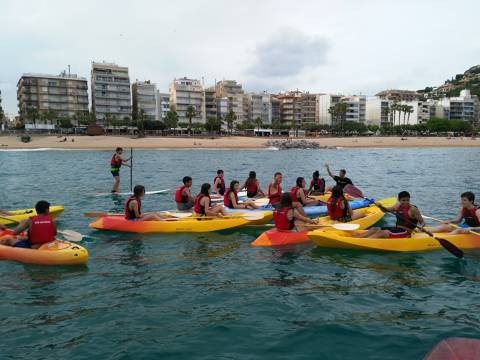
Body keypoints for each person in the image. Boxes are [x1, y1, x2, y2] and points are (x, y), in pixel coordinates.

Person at [356, 191, 424, 238]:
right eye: (403, 200)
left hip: (406, 232)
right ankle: (356, 238)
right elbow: (386, 210)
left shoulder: (413, 209)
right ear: (399, 200)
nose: (406, 202)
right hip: (397, 229)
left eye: (407, 200)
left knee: (383, 233)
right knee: (375, 228)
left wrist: (421, 227)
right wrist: (380, 206)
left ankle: (363, 241)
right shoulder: (397, 206)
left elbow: (422, 222)